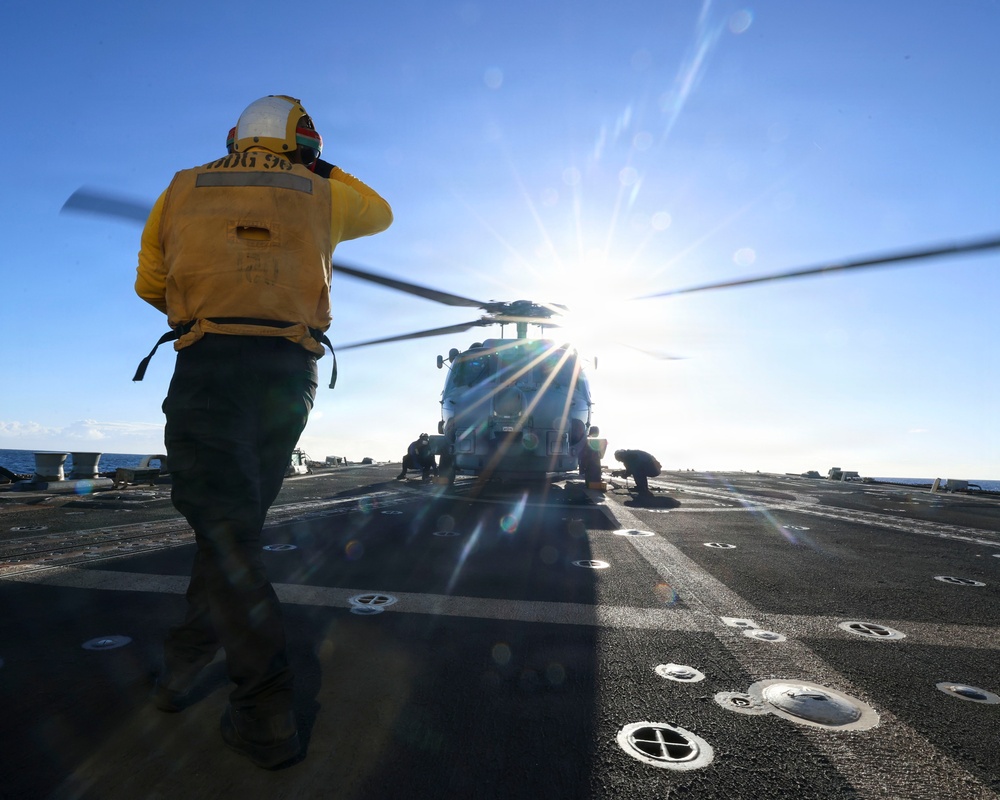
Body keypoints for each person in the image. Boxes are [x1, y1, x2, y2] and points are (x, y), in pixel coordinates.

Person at [134, 95, 392, 769]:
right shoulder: (322, 191)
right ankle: (185, 669)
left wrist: (211, 296)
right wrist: (316, 167)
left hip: (211, 366)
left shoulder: (183, 186)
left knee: (226, 530)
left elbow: (149, 284)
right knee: (232, 527)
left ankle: (263, 708)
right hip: (287, 376)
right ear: (302, 140)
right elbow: (383, 213)